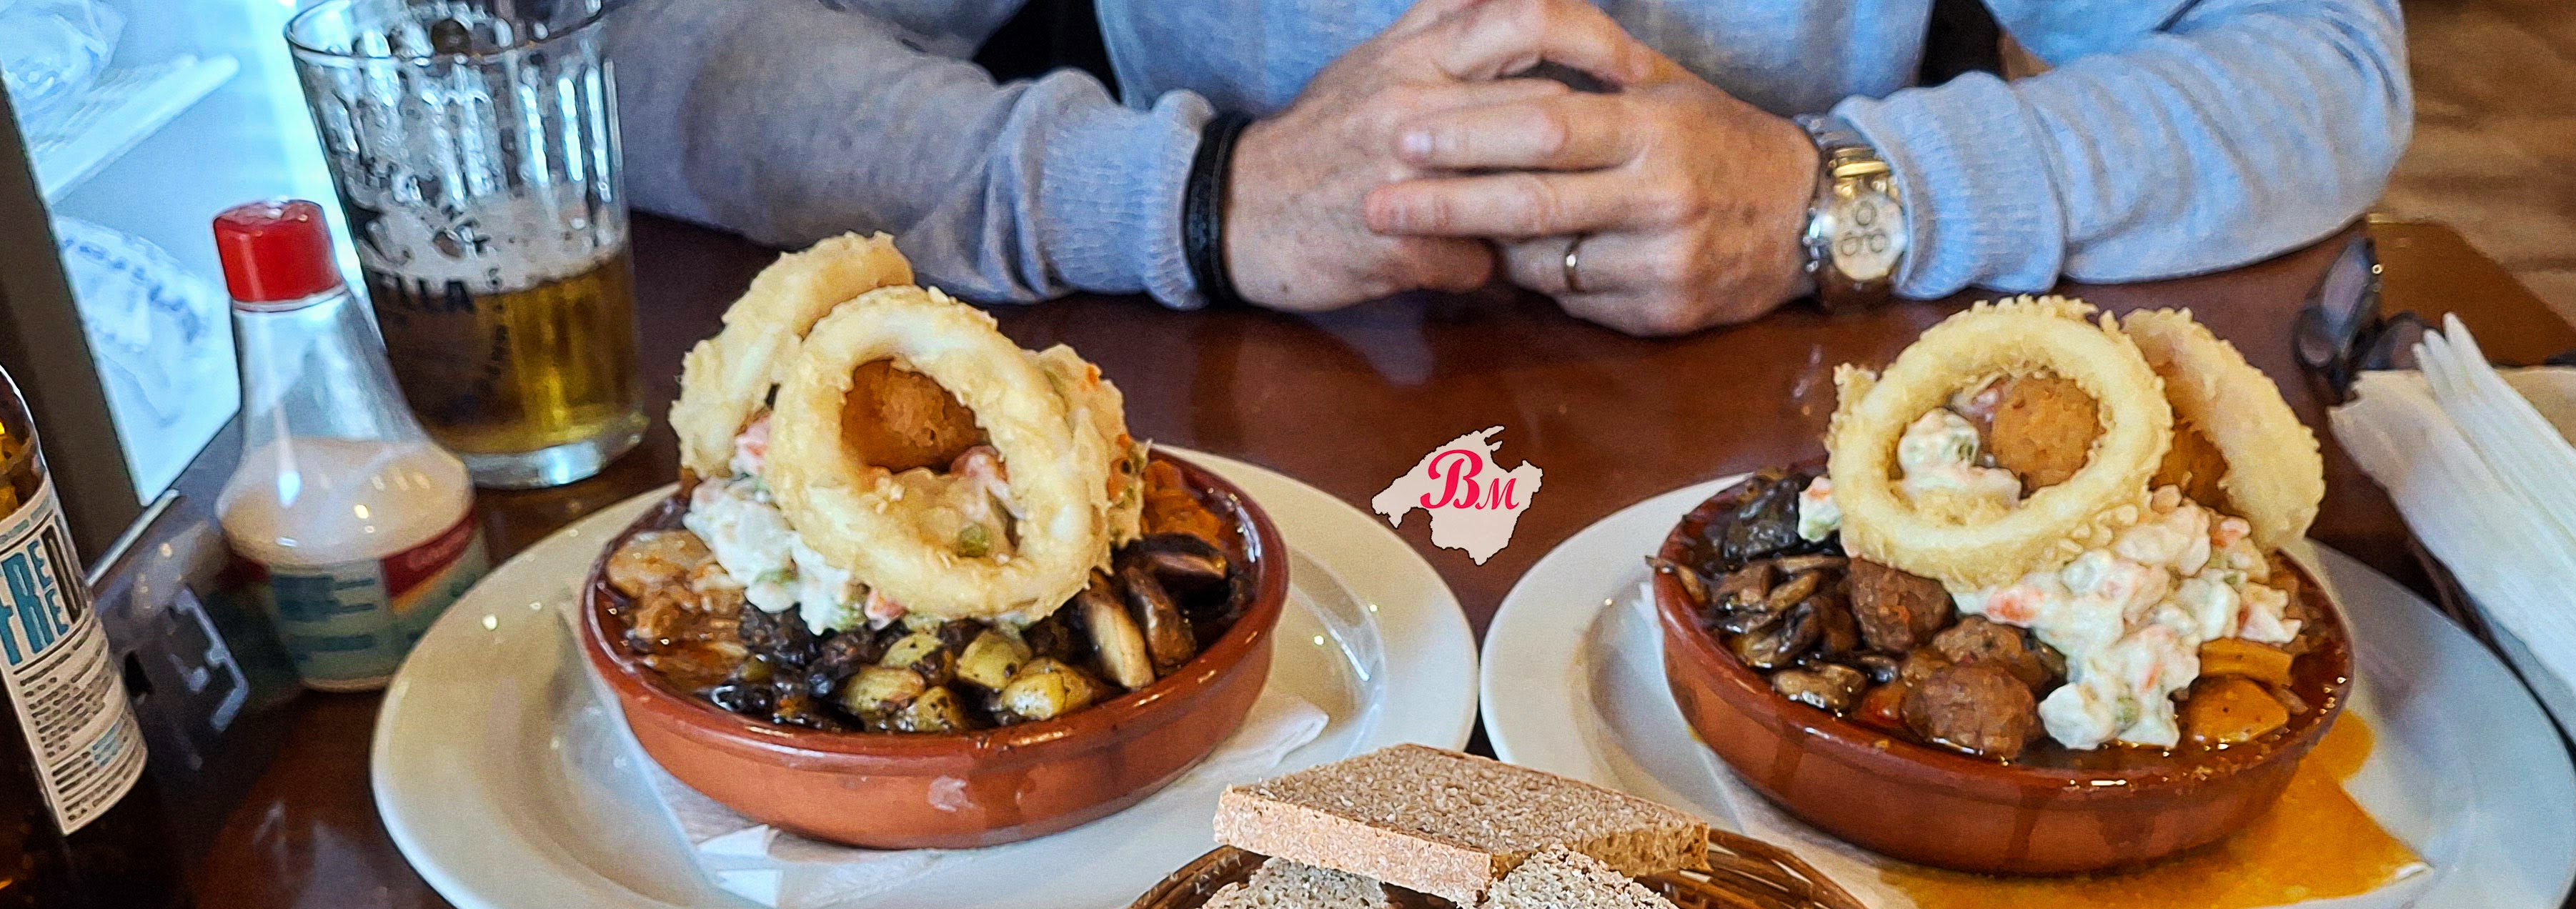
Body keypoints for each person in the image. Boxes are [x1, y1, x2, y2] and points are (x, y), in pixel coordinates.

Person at [609, 0, 2408, 337]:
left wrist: (1838, 195)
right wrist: (1192, 199)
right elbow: (652, 52)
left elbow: (2320, 62)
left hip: (1801, 448)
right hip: (1226, 477)